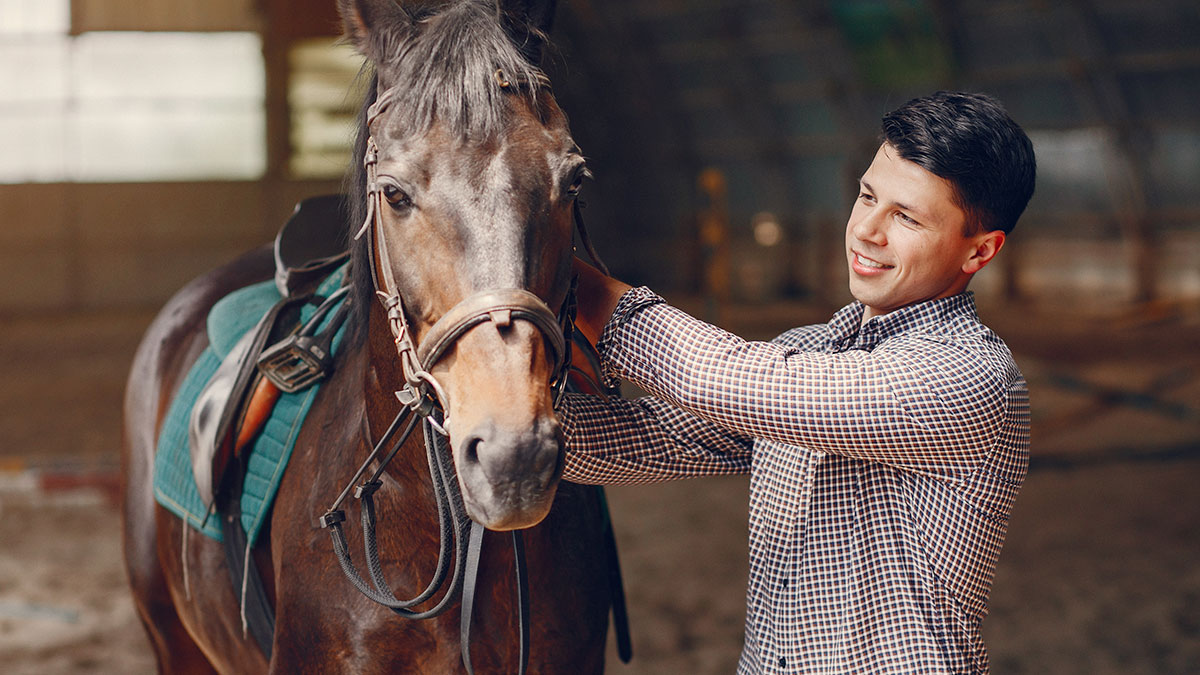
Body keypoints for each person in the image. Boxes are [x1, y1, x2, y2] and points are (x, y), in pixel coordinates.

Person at [560, 91, 1036, 674]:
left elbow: (725, 380)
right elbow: (638, 440)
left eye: (907, 217)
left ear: (980, 251)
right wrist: (474, 401)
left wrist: (563, 271)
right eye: (867, 196)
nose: (867, 230)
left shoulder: (969, 376)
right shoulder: (809, 349)